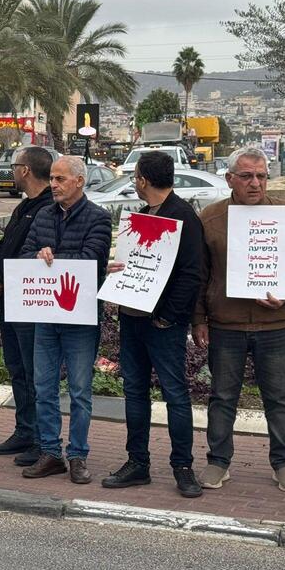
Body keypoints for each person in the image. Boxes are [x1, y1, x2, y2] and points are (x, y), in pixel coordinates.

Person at [193, 146, 285, 493]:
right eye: (246, 175)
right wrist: (199, 319)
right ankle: (218, 461)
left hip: (275, 325)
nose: (255, 182)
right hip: (225, 325)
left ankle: (283, 462)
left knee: (279, 398)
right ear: (229, 178)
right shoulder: (211, 219)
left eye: (261, 175)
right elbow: (200, 274)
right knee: (222, 396)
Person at [100, 152, 204, 498]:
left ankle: (183, 466)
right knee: (135, 392)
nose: (134, 183)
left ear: (143, 179)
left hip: (162, 325)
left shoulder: (183, 216)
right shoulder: (143, 216)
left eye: (136, 178)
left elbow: (192, 275)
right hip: (132, 319)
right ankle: (137, 463)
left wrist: (167, 316)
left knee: (175, 394)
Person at [20, 156, 112, 484]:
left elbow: (92, 259)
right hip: (45, 314)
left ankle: (77, 455)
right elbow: (26, 253)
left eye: (60, 179)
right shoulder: (43, 215)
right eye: (52, 179)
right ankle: (50, 452)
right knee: (43, 387)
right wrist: (36, 255)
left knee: (79, 391)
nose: (54, 185)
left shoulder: (98, 218)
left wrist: (52, 257)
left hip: (80, 319)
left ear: (79, 182)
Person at [0, 146, 54, 467]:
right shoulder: (23, 208)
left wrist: (5, 276)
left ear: (25, 170)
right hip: (9, 301)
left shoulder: (49, 209)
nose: (12, 171)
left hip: (31, 305)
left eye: (14, 166)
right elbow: (6, 249)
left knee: (32, 372)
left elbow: (42, 259)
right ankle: (24, 430)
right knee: (17, 369)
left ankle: (42, 439)